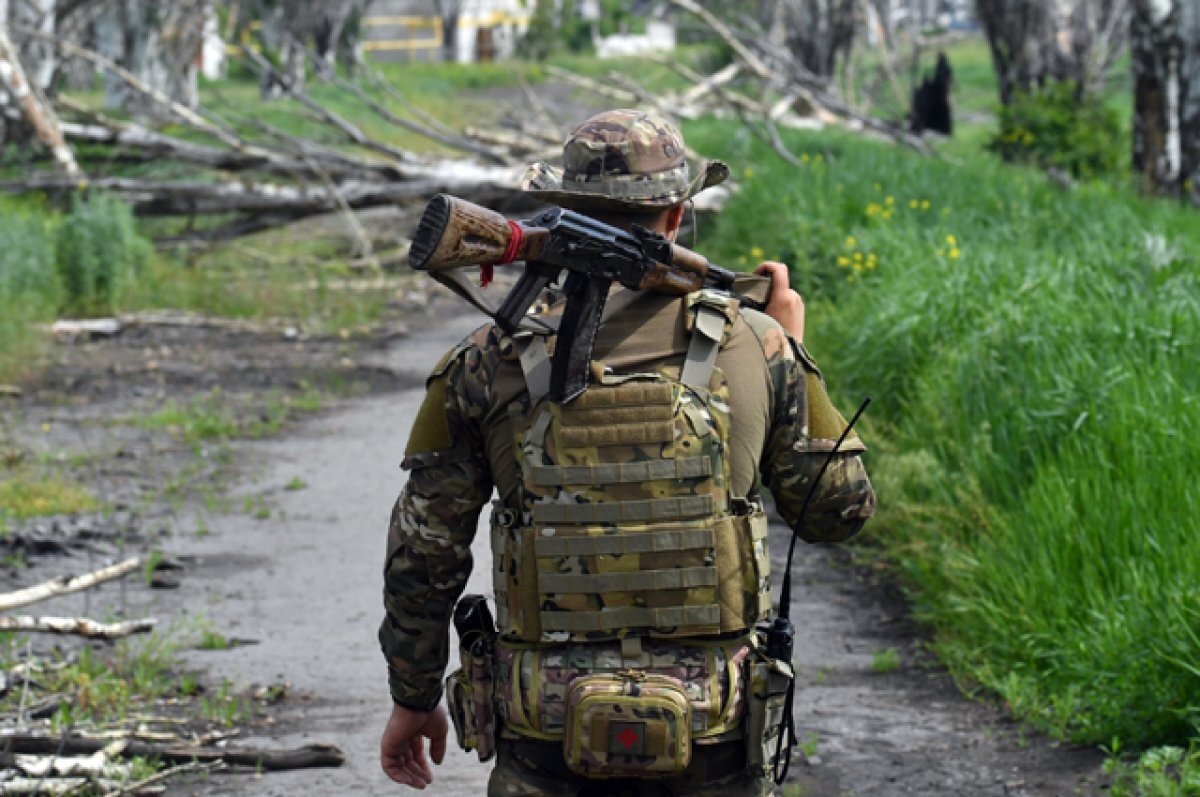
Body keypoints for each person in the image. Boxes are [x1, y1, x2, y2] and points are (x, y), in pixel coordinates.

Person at [379, 109, 875, 796]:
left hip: (544, 738)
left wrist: (412, 696)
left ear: (562, 207)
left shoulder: (481, 361)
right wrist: (791, 347)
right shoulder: (756, 345)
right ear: (676, 214)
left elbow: (423, 553)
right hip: (712, 737)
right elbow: (838, 511)